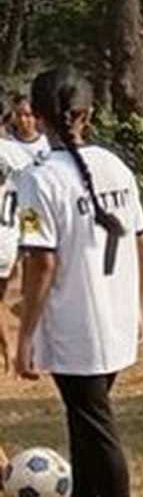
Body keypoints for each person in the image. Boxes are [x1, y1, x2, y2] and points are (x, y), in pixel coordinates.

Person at [12, 67, 143, 497]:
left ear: (38, 116)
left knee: (96, 427)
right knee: (85, 419)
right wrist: (134, 307)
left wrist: (25, 333)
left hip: (76, 323)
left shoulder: (38, 178)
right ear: (86, 115)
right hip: (113, 316)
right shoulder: (115, 166)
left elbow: (41, 262)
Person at [0, 123, 35, 368]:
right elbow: (30, 203)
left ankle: (8, 350)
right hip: (12, 237)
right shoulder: (21, 157)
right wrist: (29, 239)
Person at [8, 91, 50, 161]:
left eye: (27, 115)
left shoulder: (46, 144)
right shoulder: (8, 143)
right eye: (18, 115)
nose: (22, 120)